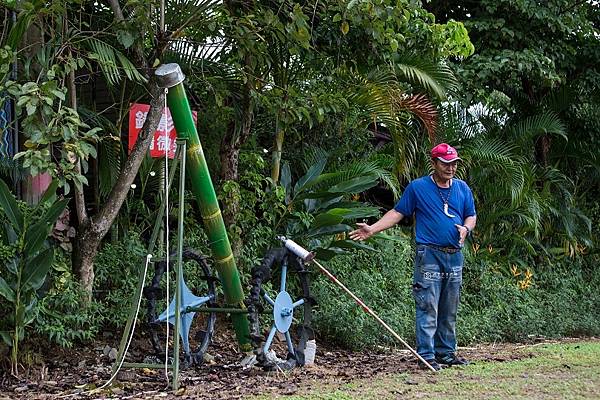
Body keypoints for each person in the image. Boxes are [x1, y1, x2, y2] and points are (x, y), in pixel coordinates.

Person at [349, 143, 476, 371]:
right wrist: (373, 229)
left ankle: (447, 354)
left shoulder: (462, 188)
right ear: (434, 163)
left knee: (450, 307)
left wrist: (466, 229)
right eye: (446, 163)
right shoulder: (418, 187)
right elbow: (398, 212)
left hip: (455, 255)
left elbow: (471, 216)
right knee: (428, 305)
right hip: (429, 254)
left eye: (454, 163)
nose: (450, 168)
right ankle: (427, 356)